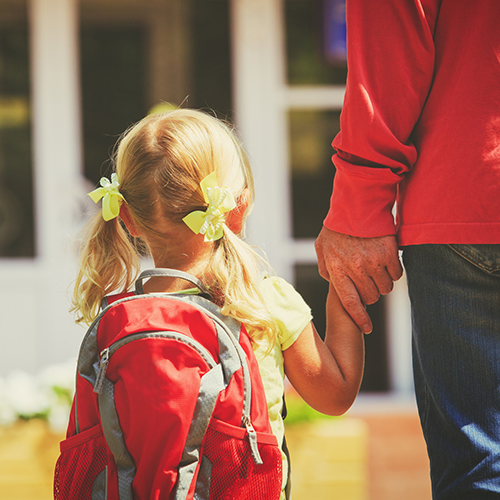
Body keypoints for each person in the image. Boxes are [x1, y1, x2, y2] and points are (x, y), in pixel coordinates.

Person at [72, 108, 365, 499]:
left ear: (126, 216)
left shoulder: (118, 318)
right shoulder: (263, 301)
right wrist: (342, 285)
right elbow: (335, 395)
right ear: (237, 208)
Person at [315, 1, 500, 498]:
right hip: (466, 208)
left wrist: (358, 210)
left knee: (481, 468)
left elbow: (388, 59)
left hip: (467, 201)